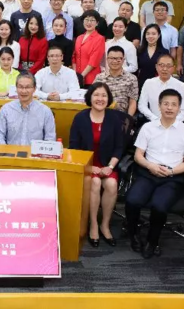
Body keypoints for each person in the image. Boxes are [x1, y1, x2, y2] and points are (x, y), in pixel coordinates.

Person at [125, 89, 184, 258]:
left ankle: (152, 241)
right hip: (148, 172)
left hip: (173, 177)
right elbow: (138, 155)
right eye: (166, 104)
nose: (169, 108)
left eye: (174, 104)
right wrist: (150, 166)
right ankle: (133, 234)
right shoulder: (147, 128)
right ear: (159, 106)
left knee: (159, 206)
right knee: (132, 201)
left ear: (179, 108)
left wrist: (171, 171)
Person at [70, 82, 124, 247]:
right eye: (96, 95)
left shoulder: (114, 118)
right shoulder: (80, 118)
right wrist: (88, 166)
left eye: (104, 95)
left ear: (108, 99)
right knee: (94, 182)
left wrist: (111, 167)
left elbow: (119, 146)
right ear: (90, 97)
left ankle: (105, 224)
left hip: (107, 164)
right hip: (87, 164)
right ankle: (93, 224)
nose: (100, 99)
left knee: (112, 184)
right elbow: (73, 147)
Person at [0, 72, 56, 145]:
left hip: (35, 152)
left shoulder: (45, 111)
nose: (24, 91)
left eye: (28, 87)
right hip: (10, 151)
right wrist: (4, 150)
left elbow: (50, 139)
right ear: (16, 88)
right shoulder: (6, 109)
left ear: (34, 89)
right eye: (20, 87)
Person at [139, 54, 184, 122]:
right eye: (161, 65)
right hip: (153, 121)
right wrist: (154, 118)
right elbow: (142, 105)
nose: (164, 69)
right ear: (156, 67)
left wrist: (171, 122)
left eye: (168, 66)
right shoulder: (148, 83)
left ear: (173, 68)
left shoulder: (181, 86)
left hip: (175, 124)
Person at [95, 46, 139, 115]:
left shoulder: (131, 78)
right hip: (101, 114)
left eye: (118, 59)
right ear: (107, 59)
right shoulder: (99, 78)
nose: (115, 61)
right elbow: (94, 98)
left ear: (123, 60)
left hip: (121, 116)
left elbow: (132, 102)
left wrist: (128, 119)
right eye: (112, 58)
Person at [73, 10, 106, 87]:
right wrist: (75, 75)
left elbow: (94, 61)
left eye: (92, 20)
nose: (89, 22)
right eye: (86, 20)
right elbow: (74, 57)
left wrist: (81, 76)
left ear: (97, 23)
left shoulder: (100, 38)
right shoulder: (79, 38)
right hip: (77, 77)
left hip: (92, 78)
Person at [137, 24, 169, 91]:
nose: (150, 36)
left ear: (159, 35)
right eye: (148, 34)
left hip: (159, 85)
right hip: (142, 84)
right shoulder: (139, 51)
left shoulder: (164, 52)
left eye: (154, 34)